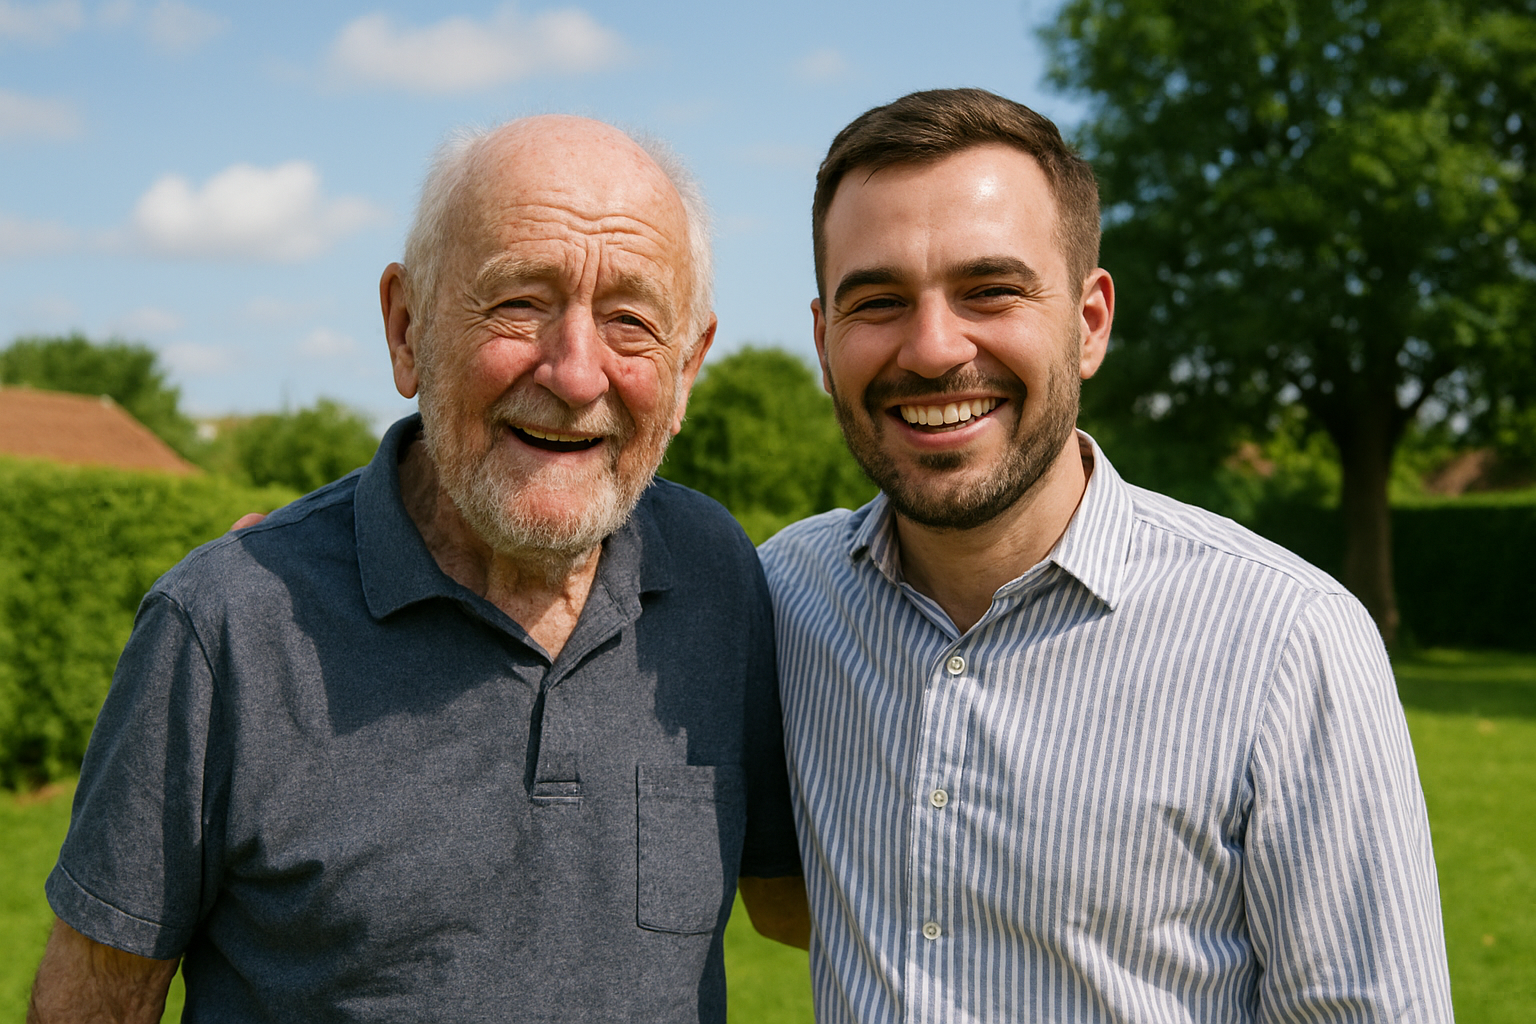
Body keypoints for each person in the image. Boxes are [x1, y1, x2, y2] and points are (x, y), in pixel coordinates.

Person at [29, 115, 805, 1023]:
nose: (576, 372)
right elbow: (92, 1005)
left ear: (686, 371)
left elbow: (806, 902)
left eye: (631, 320)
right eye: (520, 301)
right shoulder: (225, 628)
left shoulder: (718, 578)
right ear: (407, 328)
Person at [759, 88, 1453, 1023]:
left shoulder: (1288, 640)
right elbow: (780, 905)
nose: (931, 349)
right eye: (877, 301)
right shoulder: (779, 599)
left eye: (990, 291)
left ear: (1089, 323)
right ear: (822, 338)